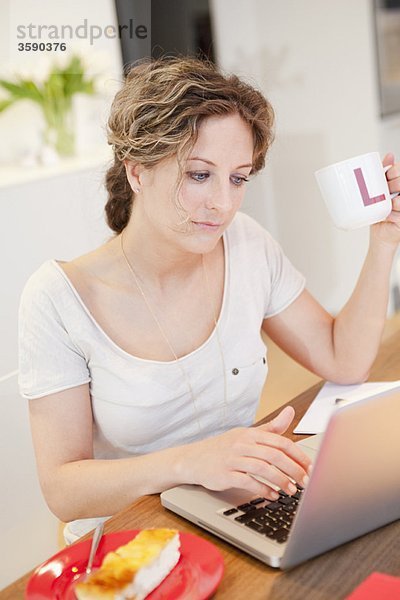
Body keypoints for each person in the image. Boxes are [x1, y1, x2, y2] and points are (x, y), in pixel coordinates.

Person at [18, 56, 400, 543]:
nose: (223, 203)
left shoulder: (246, 244)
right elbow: (64, 490)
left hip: (236, 511)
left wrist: (384, 241)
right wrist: (189, 463)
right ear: (137, 172)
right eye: (200, 175)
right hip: (128, 544)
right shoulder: (59, 298)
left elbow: (343, 359)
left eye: (238, 178)